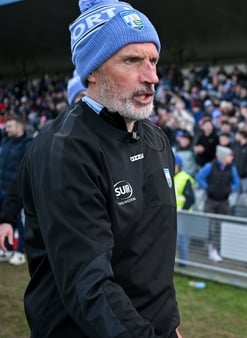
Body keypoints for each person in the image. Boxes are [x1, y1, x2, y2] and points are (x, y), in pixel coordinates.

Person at [16, 1, 182, 336]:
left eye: (153, 60)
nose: (152, 77)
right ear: (92, 71)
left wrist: (169, 325)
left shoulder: (157, 141)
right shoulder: (64, 148)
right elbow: (87, 283)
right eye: (132, 60)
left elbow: (153, 261)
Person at [195, 145, 240, 262]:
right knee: (209, 224)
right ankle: (210, 247)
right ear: (223, 157)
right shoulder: (210, 166)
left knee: (221, 226)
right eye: (229, 155)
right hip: (211, 200)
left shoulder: (232, 168)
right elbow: (199, 178)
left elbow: (237, 183)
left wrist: (230, 190)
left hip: (224, 201)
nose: (231, 158)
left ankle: (215, 248)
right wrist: (208, 188)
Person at [0, 114, 32, 265]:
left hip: (17, 191)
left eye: (9, 126)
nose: (7, 129)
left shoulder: (28, 144)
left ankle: (19, 251)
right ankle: (6, 249)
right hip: (2, 188)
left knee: (20, 221)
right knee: (5, 219)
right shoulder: (5, 141)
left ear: (20, 127)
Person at [174, 155, 196, 267]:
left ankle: (183, 264)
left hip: (182, 215)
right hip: (173, 215)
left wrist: (182, 211)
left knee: (182, 241)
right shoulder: (170, 176)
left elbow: (190, 199)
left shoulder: (184, 178)